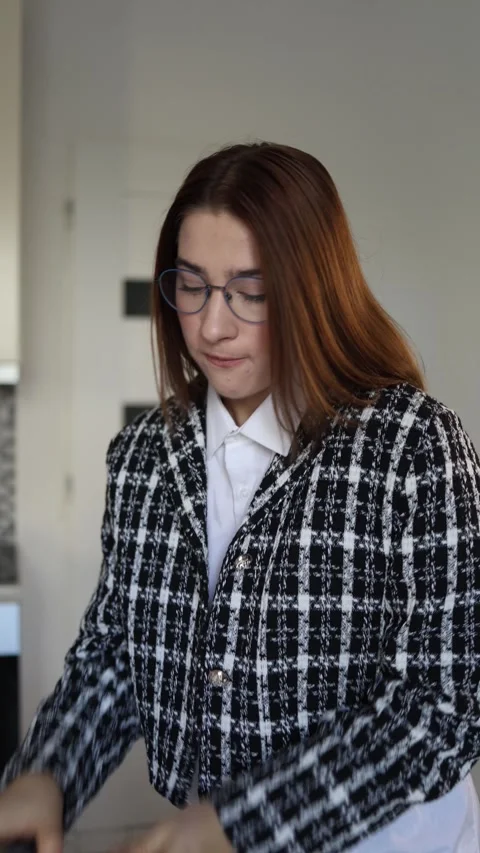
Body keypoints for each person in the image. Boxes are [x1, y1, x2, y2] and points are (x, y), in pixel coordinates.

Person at [1, 142, 479, 853]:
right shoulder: (145, 457)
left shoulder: (413, 446)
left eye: (249, 291)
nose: (212, 325)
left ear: (312, 288)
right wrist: (49, 770)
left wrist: (239, 821)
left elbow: (443, 711)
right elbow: (114, 656)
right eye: (190, 285)